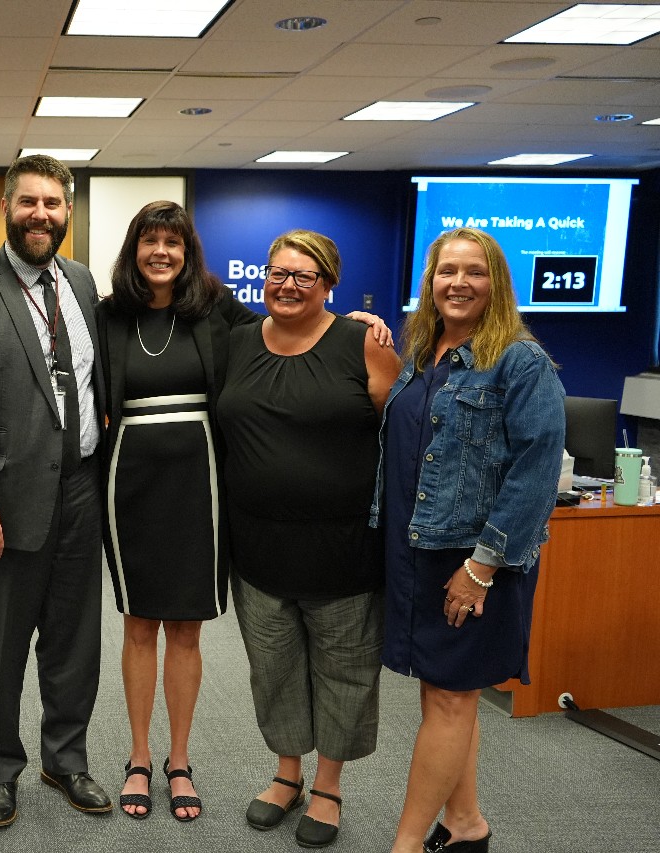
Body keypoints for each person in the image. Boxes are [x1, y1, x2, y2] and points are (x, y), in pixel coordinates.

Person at [0, 154, 110, 828]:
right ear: (6, 207)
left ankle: (65, 758)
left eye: (53, 204)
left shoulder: (84, 283)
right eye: (29, 202)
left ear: (68, 212)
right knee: (3, 646)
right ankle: (0, 769)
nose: (42, 214)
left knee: (75, 640)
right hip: (2, 505)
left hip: (81, 490)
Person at [374, 228, 564, 853]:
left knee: (451, 700)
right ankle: (466, 825)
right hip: (418, 553)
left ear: (497, 285)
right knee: (445, 697)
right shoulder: (426, 354)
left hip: (472, 562)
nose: (458, 283)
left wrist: (481, 566)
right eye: (446, 271)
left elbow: (536, 474)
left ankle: (405, 845)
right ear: (429, 283)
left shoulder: (519, 361)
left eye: (474, 272)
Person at [217, 230, 402, 849]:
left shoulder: (362, 344)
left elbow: (404, 437)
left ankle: (328, 785)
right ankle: (286, 775)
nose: (287, 285)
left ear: (329, 284)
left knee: (343, 671)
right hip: (258, 550)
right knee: (273, 671)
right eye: (278, 273)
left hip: (343, 550)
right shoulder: (238, 342)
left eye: (303, 275)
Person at [96, 200, 262, 822]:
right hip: (128, 478)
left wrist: (357, 323)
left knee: (186, 627)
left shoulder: (218, 311)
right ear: (134, 249)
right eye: (150, 241)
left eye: (173, 242)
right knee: (139, 623)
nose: (161, 252)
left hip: (203, 480)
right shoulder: (110, 315)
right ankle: (139, 757)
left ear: (188, 251)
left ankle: (180, 758)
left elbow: (292, 329)